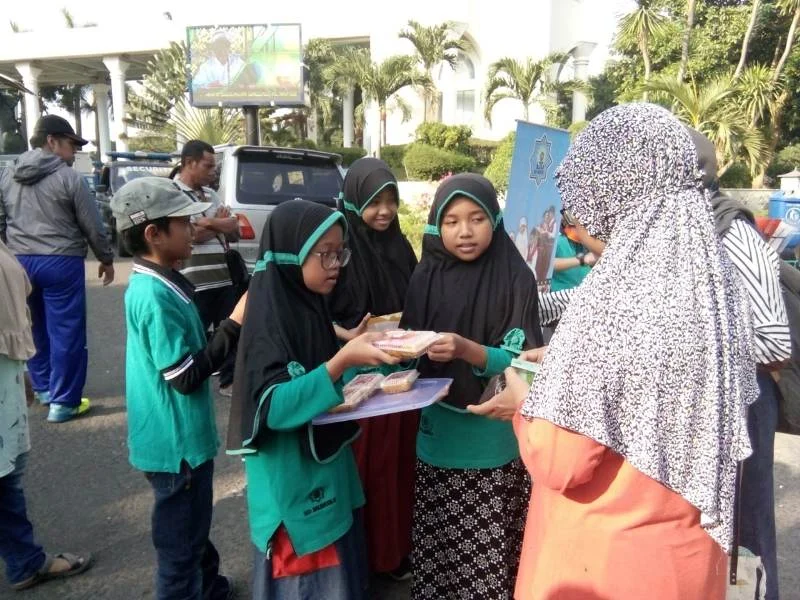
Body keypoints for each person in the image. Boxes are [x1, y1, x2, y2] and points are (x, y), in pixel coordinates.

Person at [473, 103, 758, 600]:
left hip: (605, 562)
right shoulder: (715, 283)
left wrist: (524, 398)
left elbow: (562, 458)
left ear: (614, 184)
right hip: (687, 554)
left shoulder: (616, 295)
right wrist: (564, 365)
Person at [226, 199, 399, 599]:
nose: (337, 263)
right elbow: (273, 407)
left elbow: (326, 382)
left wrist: (375, 367)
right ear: (291, 254)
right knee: (308, 586)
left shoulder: (308, 305)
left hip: (327, 477)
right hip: (295, 492)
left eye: (341, 252)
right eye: (326, 254)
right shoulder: (267, 322)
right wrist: (341, 364)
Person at [400, 173, 543, 599]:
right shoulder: (425, 277)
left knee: (489, 560)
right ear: (436, 226)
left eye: (477, 218)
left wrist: (468, 349)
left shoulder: (515, 276)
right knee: (439, 555)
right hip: (436, 436)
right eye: (452, 221)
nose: (464, 231)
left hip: (492, 440)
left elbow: (522, 362)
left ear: (495, 222)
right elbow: (407, 349)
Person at [111, 177, 245, 600]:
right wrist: (234, 324)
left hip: (177, 441)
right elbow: (185, 376)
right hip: (176, 446)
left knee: (190, 528)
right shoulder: (154, 296)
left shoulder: (160, 279)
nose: (195, 230)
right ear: (154, 233)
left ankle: (210, 586)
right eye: (185, 224)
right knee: (179, 548)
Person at [688, 127, 791, 600]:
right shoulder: (675, 233)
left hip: (743, 406)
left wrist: (685, 344)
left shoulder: (733, 233)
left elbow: (774, 344)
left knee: (743, 536)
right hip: (697, 405)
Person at [327, 158, 419, 579]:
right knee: (369, 468)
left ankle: (394, 552)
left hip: (403, 373)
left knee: (400, 465)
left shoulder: (399, 246)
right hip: (361, 377)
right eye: (373, 202)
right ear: (354, 200)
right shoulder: (338, 249)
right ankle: (365, 559)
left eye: (391, 201)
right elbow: (314, 309)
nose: (384, 211)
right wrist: (347, 337)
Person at [0, 115, 114, 423]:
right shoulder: (69, 178)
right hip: (61, 261)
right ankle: (64, 403)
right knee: (66, 332)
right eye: (71, 144)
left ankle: (44, 389)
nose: (74, 151)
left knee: (32, 326)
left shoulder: (7, 176)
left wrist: (7, 255)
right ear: (52, 141)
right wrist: (105, 258)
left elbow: (1, 220)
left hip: (19, 261)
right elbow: (92, 224)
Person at [0, 238, 93, 591]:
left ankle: (24, 559)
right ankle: (24, 560)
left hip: (6, 365)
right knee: (4, 475)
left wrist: (20, 370)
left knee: (9, 469)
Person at [175, 140, 241, 393]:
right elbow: (190, 235)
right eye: (208, 166)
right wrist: (219, 223)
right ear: (190, 163)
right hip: (194, 281)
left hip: (224, 277)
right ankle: (191, 378)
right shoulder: (174, 193)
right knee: (195, 332)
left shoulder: (212, 195)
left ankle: (229, 380)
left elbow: (234, 230)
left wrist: (208, 223)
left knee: (231, 329)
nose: (213, 171)